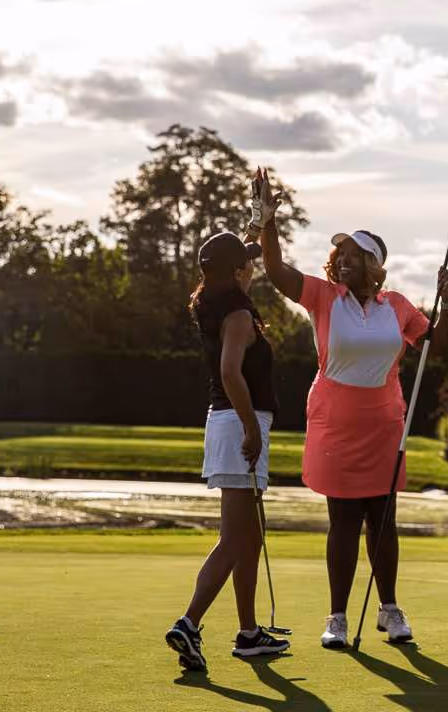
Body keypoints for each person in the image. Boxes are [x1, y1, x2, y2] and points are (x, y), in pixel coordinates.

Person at [253, 167, 448, 649]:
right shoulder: (325, 298)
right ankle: (338, 618)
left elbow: (438, 346)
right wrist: (267, 223)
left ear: (374, 263)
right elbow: (278, 272)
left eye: (353, 254)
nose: (341, 260)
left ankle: (389, 610)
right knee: (342, 520)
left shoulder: (397, 305)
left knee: (382, 519)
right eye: (339, 253)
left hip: (385, 424)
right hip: (335, 425)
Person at [164, 232, 290, 671]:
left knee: (249, 535)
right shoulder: (237, 314)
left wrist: (262, 225)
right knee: (236, 538)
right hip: (240, 423)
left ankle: (250, 633)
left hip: (226, 423)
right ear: (237, 272)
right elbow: (230, 372)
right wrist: (252, 429)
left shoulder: (217, 303)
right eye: (248, 263)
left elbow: (240, 266)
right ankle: (189, 623)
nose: (253, 268)